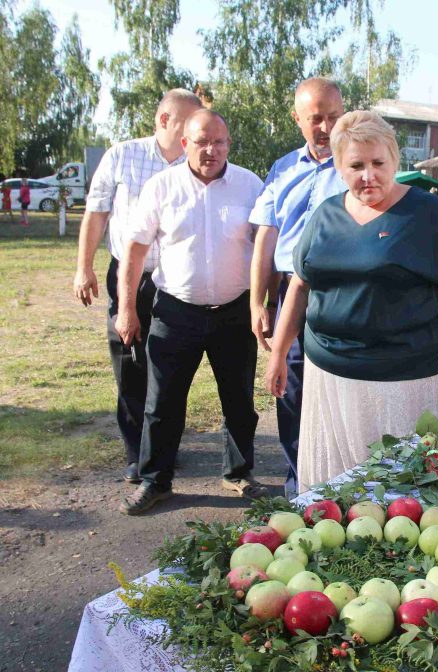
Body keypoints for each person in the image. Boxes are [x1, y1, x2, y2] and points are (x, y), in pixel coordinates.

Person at [265, 110, 438, 493]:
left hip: (405, 381)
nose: (368, 175)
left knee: (404, 495)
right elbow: (299, 287)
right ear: (339, 167)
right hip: (328, 378)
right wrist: (278, 352)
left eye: (378, 163)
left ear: (395, 160)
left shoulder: (427, 214)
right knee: (332, 492)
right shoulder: (325, 215)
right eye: (355, 165)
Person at [114, 109, 267, 515]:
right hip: (175, 312)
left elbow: (265, 248)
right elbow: (133, 249)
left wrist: (264, 303)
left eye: (219, 142)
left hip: (234, 312)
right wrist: (127, 308)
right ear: (185, 144)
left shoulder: (250, 185)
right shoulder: (161, 186)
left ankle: (238, 474)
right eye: (202, 142)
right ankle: (155, 481)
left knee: (238, 399)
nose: (211, 150)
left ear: (229, 145)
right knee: (161, 403)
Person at [73, 89, 203, 484]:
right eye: (187, 123)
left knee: (169, 368)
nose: (194, 133)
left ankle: (163, 450)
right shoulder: (123, 155)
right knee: (130, 363)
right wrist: (84, 268)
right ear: (164, 120)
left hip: (176, 281)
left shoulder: (195, 162)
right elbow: (96, 214)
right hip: (127, 276)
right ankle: (136, 454)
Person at [248, 77, 346, 497]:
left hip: (337, 296)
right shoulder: (282, 168)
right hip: (289, 293)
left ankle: (339, 484)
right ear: (297, 120)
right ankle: (297, 486)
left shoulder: (355, 165)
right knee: (288, 388)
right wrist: (259, 302)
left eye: (334, 117)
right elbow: (266, 238)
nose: (325, 128)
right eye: (315, 119)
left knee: (338, 391)